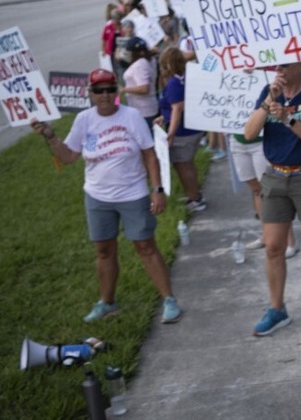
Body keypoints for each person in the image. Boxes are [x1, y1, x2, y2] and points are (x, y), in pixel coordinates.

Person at [30, 69, 182, 324]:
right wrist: (50, 136)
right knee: (103, 250)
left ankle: (169, 299)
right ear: (90, 93)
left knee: (145, 246)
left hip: (133, 193)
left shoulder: (131, 116)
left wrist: (156, 190)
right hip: (97, 196)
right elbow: (68, 157)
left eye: (110, 89)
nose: (104, 95)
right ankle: (107, 303)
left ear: (116, 91)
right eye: (98, 91)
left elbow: (149, 154)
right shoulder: (83, 120)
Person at [243, 61, 301, 336]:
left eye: (284, 65)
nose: (278, 70)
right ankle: (277, 309)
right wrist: (269, 100)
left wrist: (287, 118)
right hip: (275, 176)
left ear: (300, 65)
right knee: (273, 246)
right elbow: (248, 133)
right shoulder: (268, 92)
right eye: (276, 66)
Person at [231, 130, 299, 258]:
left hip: (263, 140)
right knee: (257, 190)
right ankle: (267, 234)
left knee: (272, 191)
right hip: (237, 139)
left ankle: (289, 241)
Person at [156, 47, 206, 212]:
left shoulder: (173, 83)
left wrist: (170, 132)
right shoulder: (184, 79)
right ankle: (194, 193)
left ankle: (195, 199)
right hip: (190, 128)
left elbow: (177, 108)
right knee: (186, 164)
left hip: (182, 132)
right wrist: (164, 117)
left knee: (183, 165)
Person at [118, 37, 159, 128]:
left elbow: (144, 88)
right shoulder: (150, 60)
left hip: (143, 110)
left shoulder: (140, 64)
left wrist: (124, 89)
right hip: (146, 107)